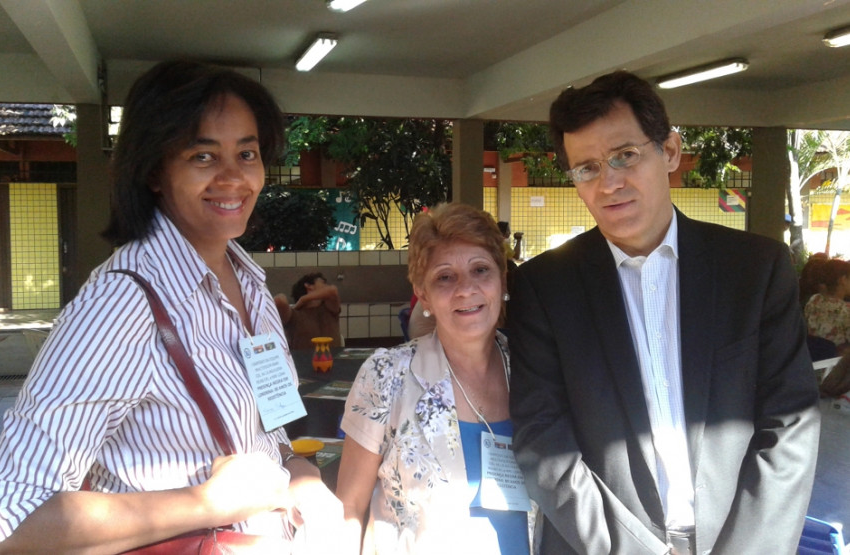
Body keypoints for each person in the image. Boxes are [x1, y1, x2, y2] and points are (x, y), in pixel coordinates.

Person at [0, 60, 341, 553]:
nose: (234, 178)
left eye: (247, 153)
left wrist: (296, 473)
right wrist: (205, 503)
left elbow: (261, 432)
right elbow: (4, 521)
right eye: (202, 157)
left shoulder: (250, 286)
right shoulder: (122, 304)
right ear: (153, 172)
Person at [509, 70, 820, 554]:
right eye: (587, 168)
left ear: (670, 151)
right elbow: (543, 440)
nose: (610, 182)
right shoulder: (544, 287)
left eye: (625, 156)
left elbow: (791, 423)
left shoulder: (754, 270)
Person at [336, 203, 529, 554]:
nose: (465, 289)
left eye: (481, 270)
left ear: (502, 280)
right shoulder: (387, 375)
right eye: (445, 276)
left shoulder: (534, 369)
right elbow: (349, 508)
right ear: (422, 293)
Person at [275, 272, 342, 350]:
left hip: (334, 360)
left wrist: (304, 299)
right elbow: (279, 300)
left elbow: (333, 290)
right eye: (323, 283)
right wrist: (300, 302)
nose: (327, 286)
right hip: (303, 361)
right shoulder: (294, 315)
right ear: (309, 286)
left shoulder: (329, 309)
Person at [805, 258, 850, 353]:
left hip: (811, 359)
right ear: (843, 279)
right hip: (835, 364)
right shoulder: (846, 310)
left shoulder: (814, 300)